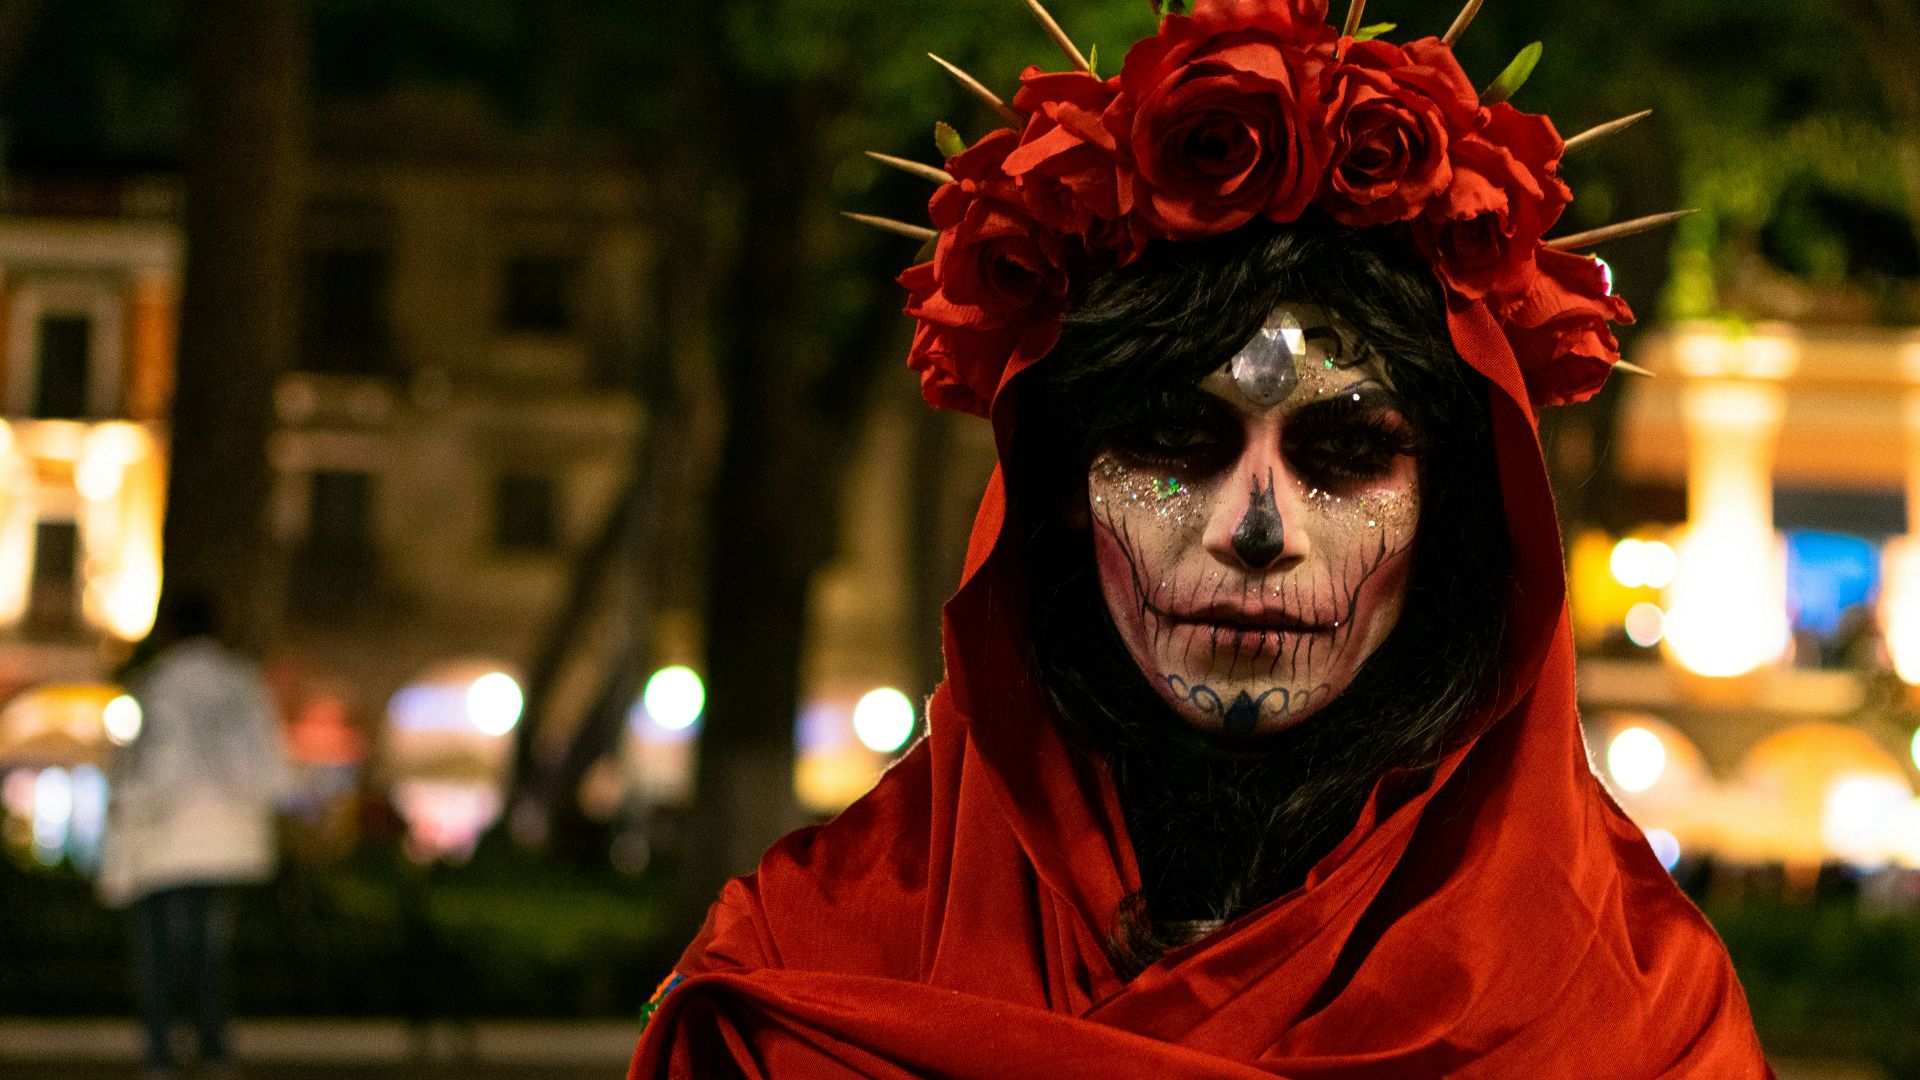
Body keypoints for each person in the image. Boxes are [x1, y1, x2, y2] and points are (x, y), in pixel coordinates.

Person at [630, 0, 1773, 1075]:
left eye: (1344, 454)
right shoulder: (812, 960)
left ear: (1457, 514)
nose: (1256, 527)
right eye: (1174, 442)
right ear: (1060, 494)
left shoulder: (1639, 1012)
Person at [99, 592, 291, 1079]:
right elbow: (266, 760)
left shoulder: (159, 684)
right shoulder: (239, 681)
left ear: (170, 631)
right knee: (208, 946)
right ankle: (213, 1048)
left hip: (164, 839)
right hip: (226, 838)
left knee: (160, 947)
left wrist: (126, 816)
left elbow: (147, 763)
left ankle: (160, 1050)